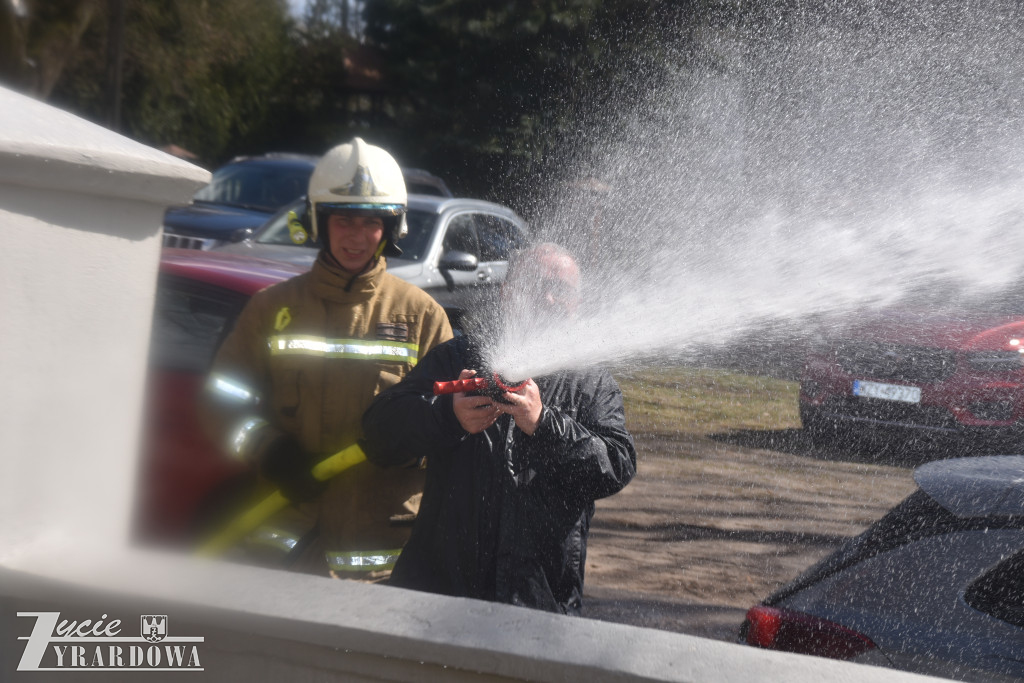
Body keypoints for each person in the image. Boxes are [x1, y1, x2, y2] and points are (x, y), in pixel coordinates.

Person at [201, 137, 453, 578]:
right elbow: (222, 401)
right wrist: (269, 450)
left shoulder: (422, 316)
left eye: (371, 223)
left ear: (391, 228)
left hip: (382, 557)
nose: (356, 237)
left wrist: (412, 444)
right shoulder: (271, 310)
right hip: (287, 548)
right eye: (344, 221)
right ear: (319, 221)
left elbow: (452, 423)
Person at [360, 243, 636, 614]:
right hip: (437, 600)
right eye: (536, 285)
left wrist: (543, 425)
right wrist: (446, 416)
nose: (550, 299)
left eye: (563, 291)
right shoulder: (456, 357)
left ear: (577, 305)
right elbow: (380, 431)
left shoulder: (591, 383)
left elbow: (615, 466)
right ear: (507, 293)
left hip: (541, 606)